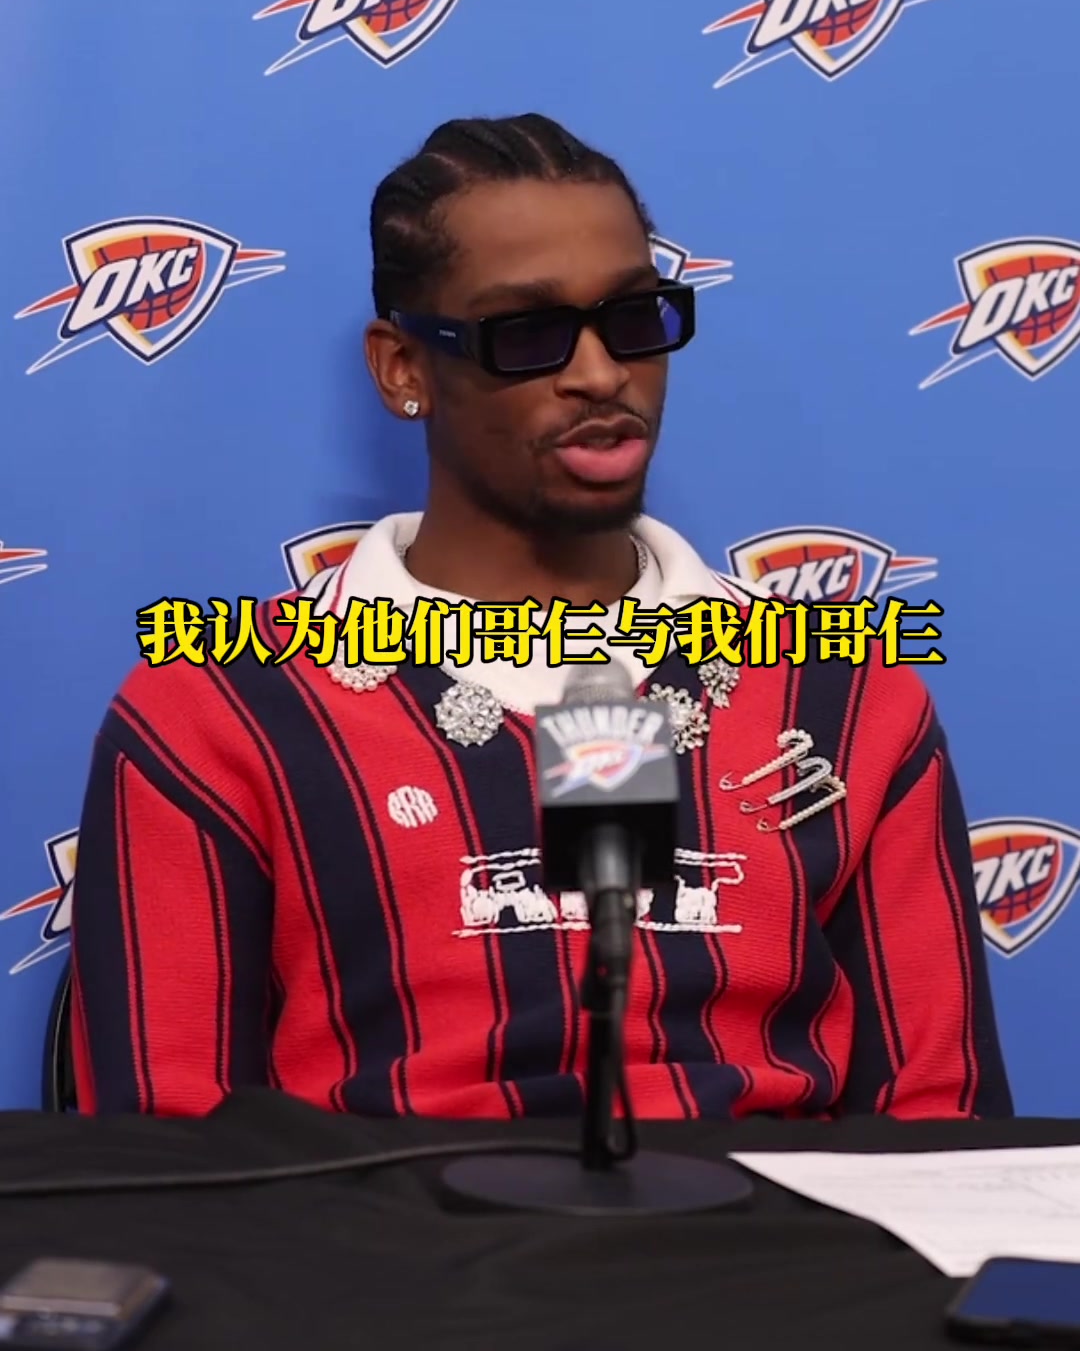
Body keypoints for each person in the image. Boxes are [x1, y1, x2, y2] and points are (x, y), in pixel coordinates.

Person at [69, 112, 1013, 1122]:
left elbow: (945, 1130)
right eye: (527, 334)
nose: (601, 375)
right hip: (380, 1223)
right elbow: (163, 1143)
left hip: (769, 1221)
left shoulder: (845, 696)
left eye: (635, 318)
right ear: (403, 369)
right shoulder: (218, 710)